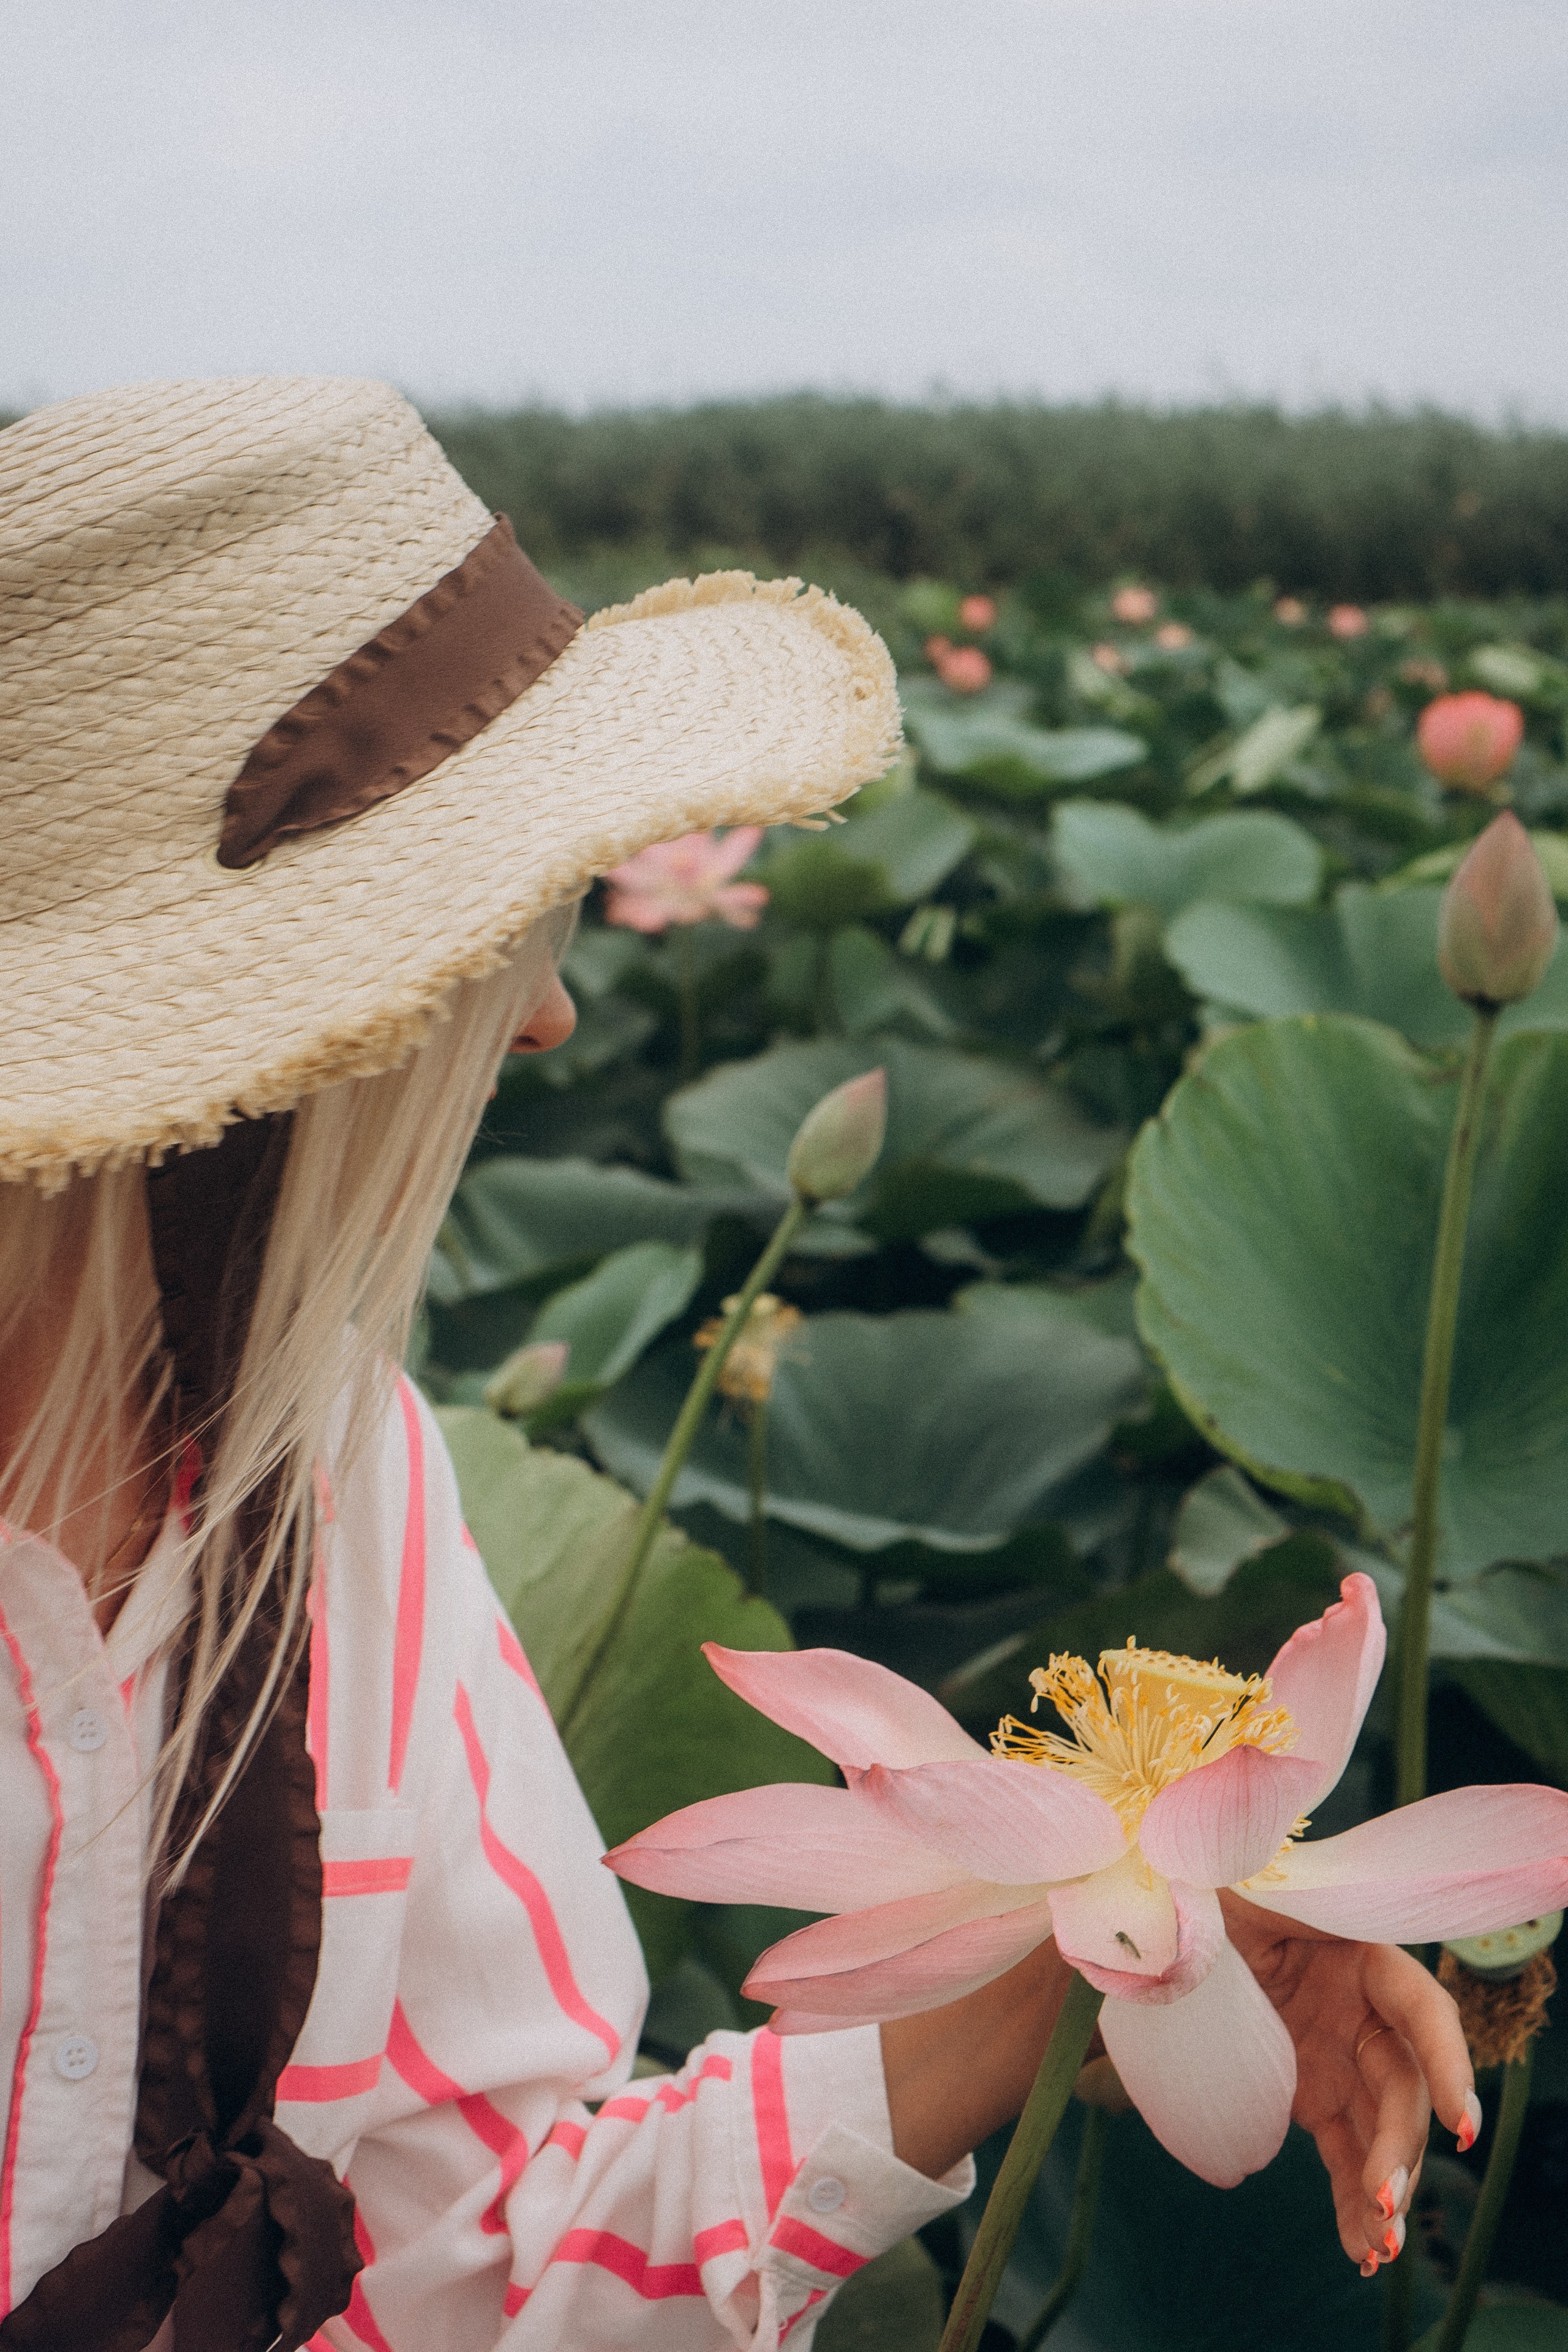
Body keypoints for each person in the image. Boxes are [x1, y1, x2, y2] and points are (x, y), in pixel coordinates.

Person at [0, 377, 1473, 2352]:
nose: (550, 1012)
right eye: (489, 911)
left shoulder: (345, 1475)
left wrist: (1102, 1948)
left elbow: (468, 2259)